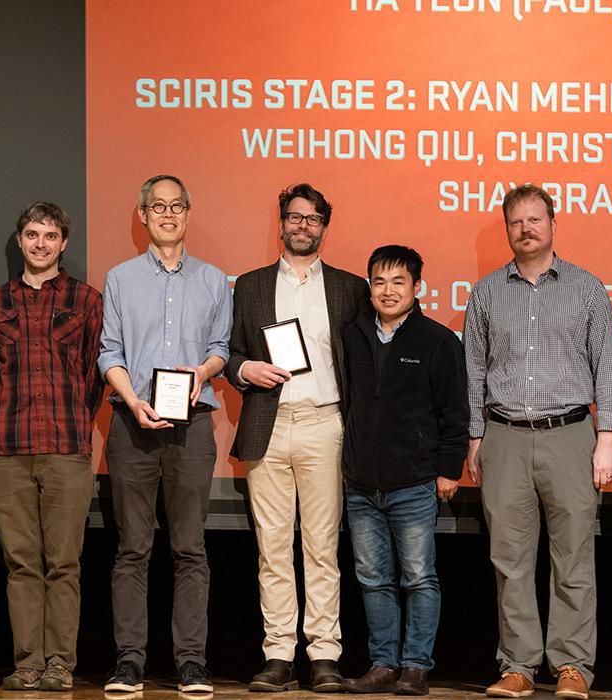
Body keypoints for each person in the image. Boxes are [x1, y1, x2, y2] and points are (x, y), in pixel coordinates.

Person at [464, 184, 612, 700]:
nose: (526, 229)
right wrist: (475, 438)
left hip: (571, 436)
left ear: (553, 225)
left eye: (535, 219)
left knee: (573, 557)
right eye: (516, 222)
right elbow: (473, 370)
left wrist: (606, 438)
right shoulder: (487, 292)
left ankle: (572, 666)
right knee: (509, 560)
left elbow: (610, 366)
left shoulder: (586, 288)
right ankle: (518, 665)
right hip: (504, 437)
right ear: (507, 229)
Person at [226, 183, 368, 693]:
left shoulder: (351, 288)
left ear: (324, 226)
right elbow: (231, 354)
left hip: (325, 425)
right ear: (281, 223)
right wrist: (246, 370)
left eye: (312, 218)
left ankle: (325, 654)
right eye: (294, 217)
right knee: (273, 549)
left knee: (323, 548)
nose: (302, 225)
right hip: (268, 424)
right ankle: (278, 654)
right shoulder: (250, 286)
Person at [98, 174, 232, 694]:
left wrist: (202, 372)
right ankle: (129, 662)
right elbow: (109, 352)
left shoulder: (213, 280)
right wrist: (133, 400)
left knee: (190, 548)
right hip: (132, 423)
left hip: (191, 425)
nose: (168, 214)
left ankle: (191, 662)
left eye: (177, 206)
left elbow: (220, 348)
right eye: (158, 206)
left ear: (188, 214)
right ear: (143, 214)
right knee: (132, 548)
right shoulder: (120, 278)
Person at [0, 201, 104, 691]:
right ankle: (28, 662)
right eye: (32, 234)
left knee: (64, 564)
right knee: (21, 564)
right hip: (7, 449)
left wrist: (76, 419)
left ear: (63, 243)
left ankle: (59, 664)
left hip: (66, 446)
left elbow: (94, 375)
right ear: (20, 240)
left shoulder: (86, 299)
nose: (40, 244)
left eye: (50, 236)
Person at [340, 245, 469, 696]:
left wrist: (449, 470)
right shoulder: (353, 335)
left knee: (418, 578)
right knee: (373, 580)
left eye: (399, 282)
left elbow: (455, 413)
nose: (388, 291)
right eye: (379, 281)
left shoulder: (438, 341)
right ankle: (382, 665)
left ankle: (415, 667)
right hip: (361, 484)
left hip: (414, 483)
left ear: (418, 287)